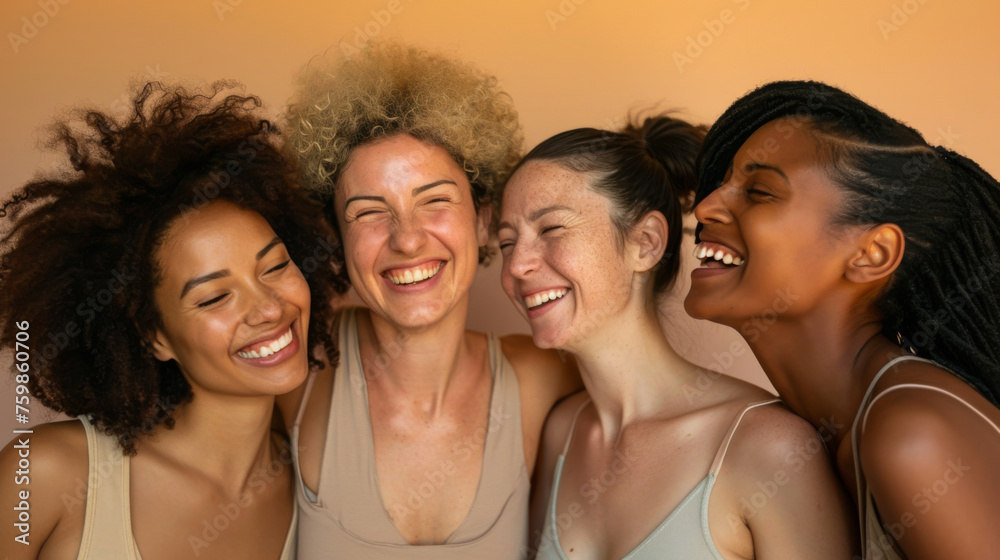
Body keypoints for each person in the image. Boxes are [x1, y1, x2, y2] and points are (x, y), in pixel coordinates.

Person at [0, 81, 345, 559]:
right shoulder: (45, 473)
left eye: (276, 266)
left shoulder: (319, 500)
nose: (269, 308)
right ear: (154, 335)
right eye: (214, 297)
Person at [498, 113, 857, 559]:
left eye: (550, 229)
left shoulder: (769, 448)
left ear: (645, 242)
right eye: (507, 242)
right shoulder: (560, 432)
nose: (516, 266)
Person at [281, 42, 580, 558]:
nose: (407, 239)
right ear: (335, 236)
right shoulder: (294, 372)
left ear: (484, 220)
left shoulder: (544, 377)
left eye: (435, 201)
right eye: (369, 212)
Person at [684, 80, 1000, 559]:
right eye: (724, 182)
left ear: (872, 254)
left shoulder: (908, 435)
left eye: (759, 191)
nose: (705, 206)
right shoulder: (838, 431)